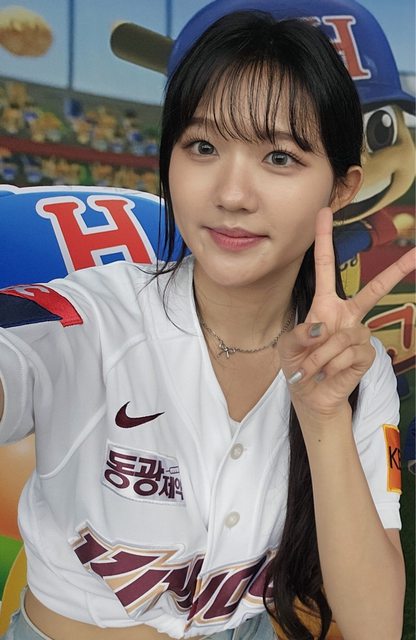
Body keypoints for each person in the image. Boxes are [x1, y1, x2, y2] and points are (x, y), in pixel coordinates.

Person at [0, 9, 413, 640]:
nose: (232, 194)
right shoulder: (90, 318)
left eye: (279, 156)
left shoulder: (354, 371)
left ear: (340, 189)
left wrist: (324, 416)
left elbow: (374, 626)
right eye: (203, 147)